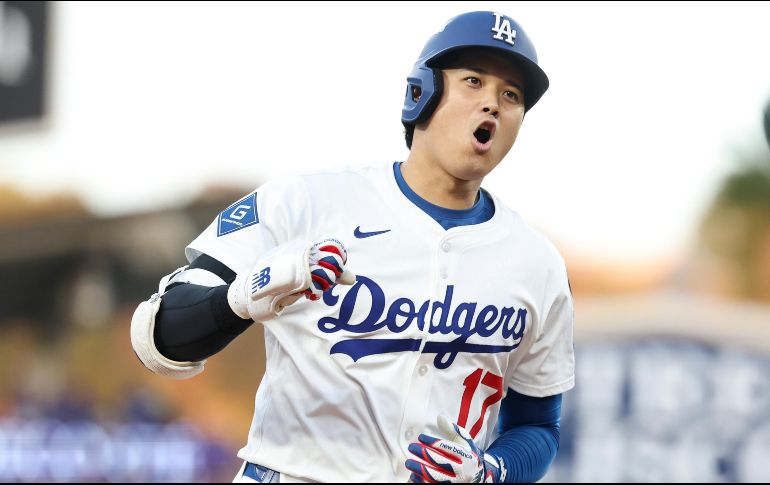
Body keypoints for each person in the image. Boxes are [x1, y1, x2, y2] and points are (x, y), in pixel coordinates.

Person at [130, 10, 574, 483]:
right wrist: (241, 297)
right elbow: (160, 337)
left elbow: (538, 424)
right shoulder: (305, 202)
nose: (492, 104)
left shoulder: (536, 263)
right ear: (421, 92)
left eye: (511, 95)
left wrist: (492, 471)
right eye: (472, 81)